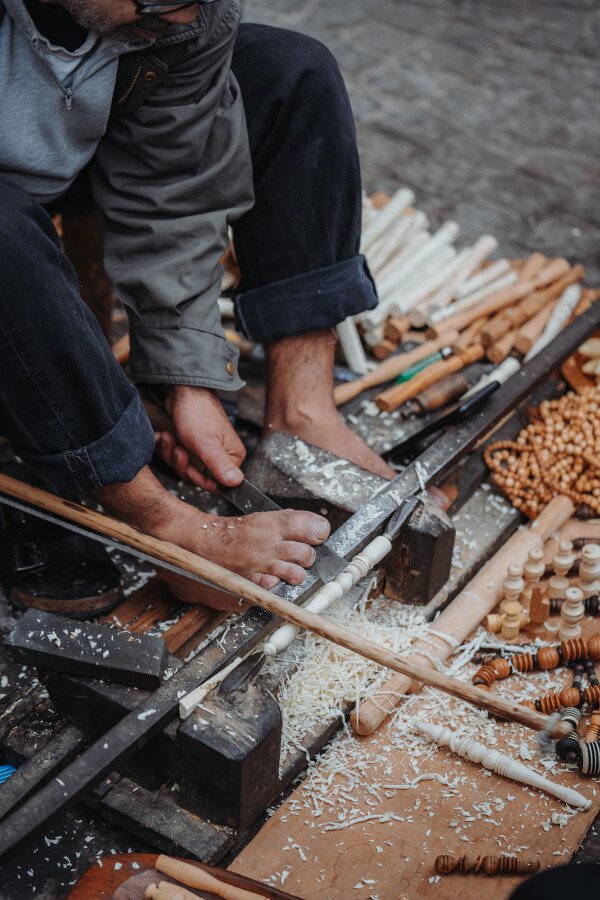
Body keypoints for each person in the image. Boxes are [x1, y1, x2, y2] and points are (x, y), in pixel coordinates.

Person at [0, 0, 395, 604]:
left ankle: (303, 413)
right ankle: (162, 526)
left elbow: (173, 188)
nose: (186, 17)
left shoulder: (181, 13)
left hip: (70, 142)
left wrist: (187, 381)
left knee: (292, 72)